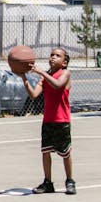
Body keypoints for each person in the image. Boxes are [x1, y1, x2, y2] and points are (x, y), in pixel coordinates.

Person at [21, 47, 75, 194]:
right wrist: (23, 77)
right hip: (48, 120)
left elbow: (57, 85)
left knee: (65, 153)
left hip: (62, 120)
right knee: (45, 152)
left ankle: (70, 181)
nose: (53, 57)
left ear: (64, 62)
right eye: (51, 55)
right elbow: (33, 95)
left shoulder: (65, 73)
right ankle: (48, 183)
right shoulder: (44, 77)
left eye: (57, 56)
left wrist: (40, 72)